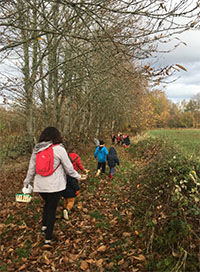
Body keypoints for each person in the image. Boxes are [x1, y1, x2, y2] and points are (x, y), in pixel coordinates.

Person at [23, 127, 81, 245]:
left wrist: (27, 182)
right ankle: (48, 239)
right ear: (57, 136)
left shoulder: (37, 149)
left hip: (40, 186)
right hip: (55, 186)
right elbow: (69, 169)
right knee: (52, 210)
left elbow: (31, 169)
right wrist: (79, 176)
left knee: (47, 204)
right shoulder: (59, 149)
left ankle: (44, 226)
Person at [61, 147, 88, 220]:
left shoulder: (66, 156)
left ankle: (64, 207)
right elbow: (74, 183)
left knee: (65, 199)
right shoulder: (76, 157)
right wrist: (77, 189)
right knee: (71, 201)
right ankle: (67, 210)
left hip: (63, 186)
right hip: (73, 175)